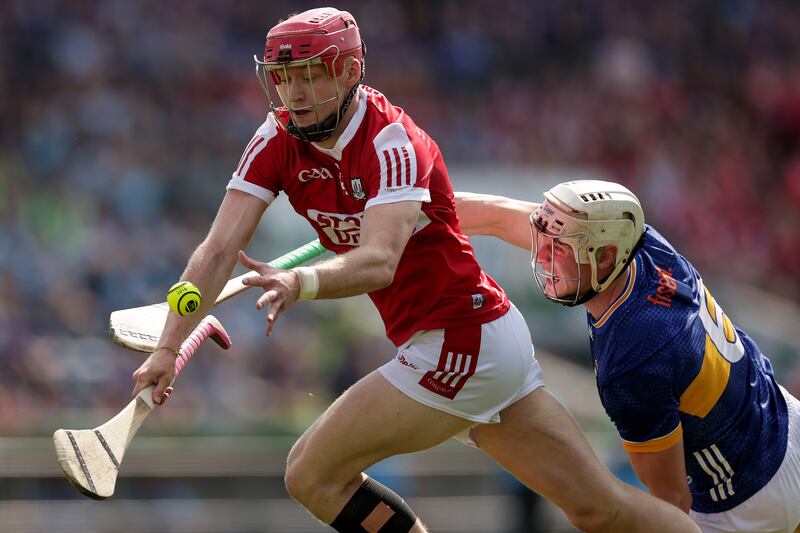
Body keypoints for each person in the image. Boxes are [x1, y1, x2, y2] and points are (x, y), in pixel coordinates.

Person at [130, 9, 701, 533]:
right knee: (599, 508)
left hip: (461, 339)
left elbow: (379, 262)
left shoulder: (392, 142)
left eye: (309, 74)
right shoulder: (274, 140)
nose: (294, 93)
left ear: (349, 70)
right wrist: (166, 346)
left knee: (311, 473)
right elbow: (216, 250)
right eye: (283, 77)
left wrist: (301, 282)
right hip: (472, 343)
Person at [455, 180, 800, 533]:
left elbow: (671, 503)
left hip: (746, 498)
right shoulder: (643, 243)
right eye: (544, 239)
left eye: (559, 248)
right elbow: (496, 216)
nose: (542, 254)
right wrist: (409, 212)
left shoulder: (632, 359)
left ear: (605, 255)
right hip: (782, 417)